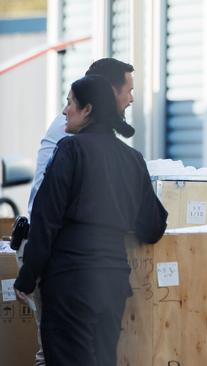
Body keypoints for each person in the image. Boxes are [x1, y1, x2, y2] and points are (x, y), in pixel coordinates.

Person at [13, 75, 168, 366]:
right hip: (112, 284)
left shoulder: (70, 150)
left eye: (70, 102)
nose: (64, 111)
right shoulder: (131, 158)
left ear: (88, 110)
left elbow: (46, 220)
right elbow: (154, 226)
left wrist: (27, 276)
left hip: (70, 282)